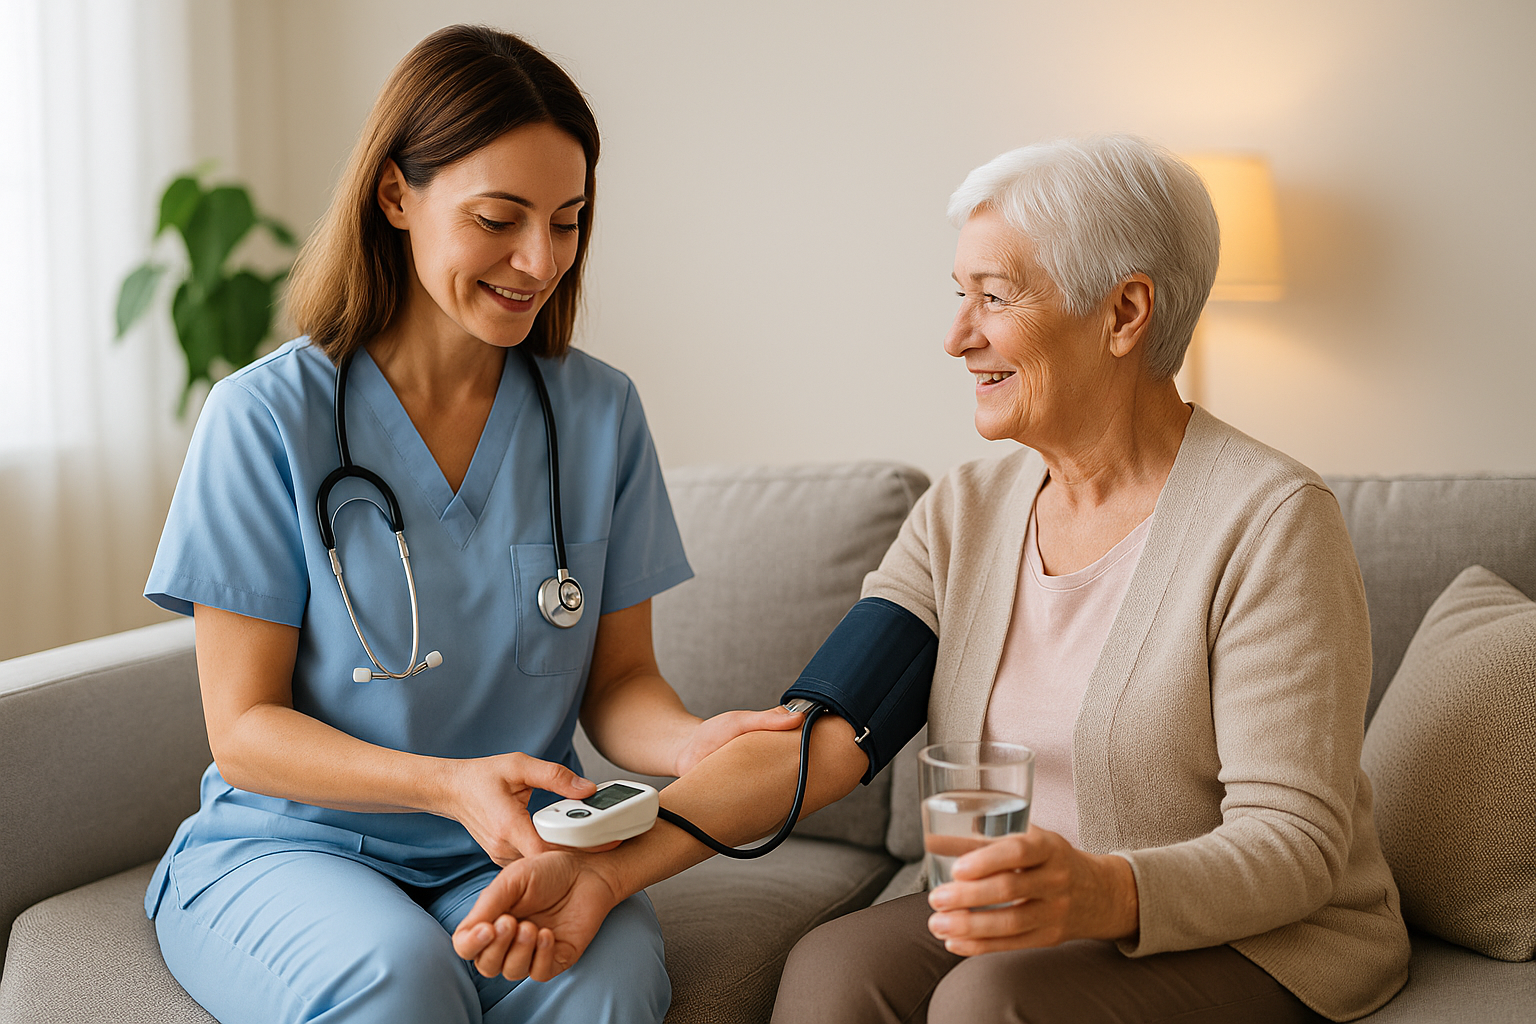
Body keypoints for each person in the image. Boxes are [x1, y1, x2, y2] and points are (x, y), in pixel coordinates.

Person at [452, 135, 1412, 1023]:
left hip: (1254, 937)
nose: (958, 337)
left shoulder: (1271, 520)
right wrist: (610, 871)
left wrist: (1104, 890)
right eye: (959, 294)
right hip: (1009, 910)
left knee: (987, 1003)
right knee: (830, 975)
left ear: (1124, 312)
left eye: (995, 297)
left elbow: (1297, 846)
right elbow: (817, 740)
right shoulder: (968, 512)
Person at [141, 25, 801, 1024]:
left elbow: (619, 683)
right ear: (396, 195)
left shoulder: (598, 416)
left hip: (522, 848)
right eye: (499, 218)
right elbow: (244, 732)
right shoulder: (266, 419)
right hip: (293, 849)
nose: (538, 261)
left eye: (568, 222)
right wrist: (448, 785)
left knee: (610, 983)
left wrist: (694, 741)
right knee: (400, 980)